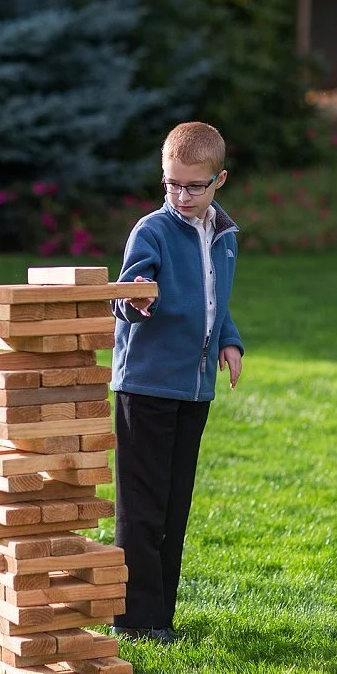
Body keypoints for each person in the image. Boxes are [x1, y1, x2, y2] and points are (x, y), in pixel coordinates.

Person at [108, 121, 243, 645]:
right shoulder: (152, 231)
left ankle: (160, 615)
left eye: (193, 186)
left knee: (173, 505)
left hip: (194, 390)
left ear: (219, 180)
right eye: (171, 184)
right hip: (145, 388)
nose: (181, 196)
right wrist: (139, 296)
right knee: (141, 508)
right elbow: (127, 292)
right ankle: (135, 620)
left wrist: (229, 339)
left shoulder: (224, 236)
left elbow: (216, 301)